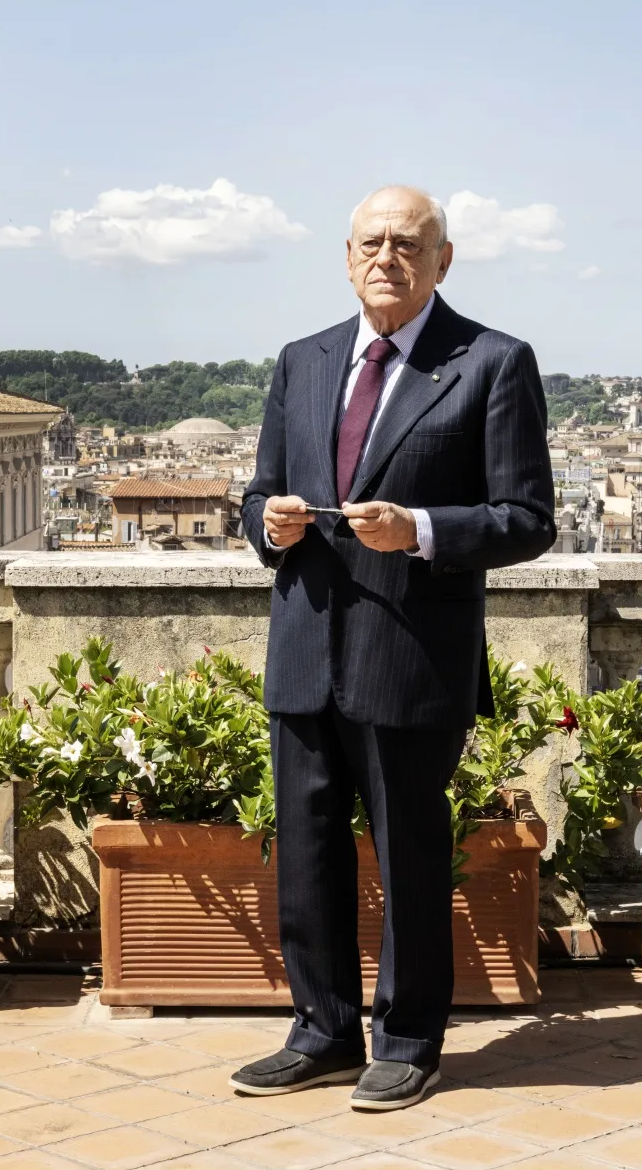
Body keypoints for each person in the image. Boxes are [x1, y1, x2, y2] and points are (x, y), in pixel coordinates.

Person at [232, 185, 555, 1111]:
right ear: (345, 256)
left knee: (411, 855)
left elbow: (527, 519)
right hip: (305, 653)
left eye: (408, 244)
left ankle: (409, 1038)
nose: (387, 257)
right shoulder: (302, 361)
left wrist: (416, 526)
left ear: (441, 261)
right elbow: (255, 497)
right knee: (306, 851)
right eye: (371, 242)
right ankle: (322, 1030)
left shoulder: (492, 362)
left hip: (411, 657)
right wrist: (271, 522)